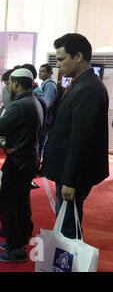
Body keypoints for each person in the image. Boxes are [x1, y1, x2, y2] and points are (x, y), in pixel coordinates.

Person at [41, 33, 109, 239]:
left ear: (78, 56)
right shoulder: (81, 83)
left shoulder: (88, 88)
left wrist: (71, 180)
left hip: (73, 175)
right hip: (69, 170)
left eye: (61, 60)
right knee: (67, 219)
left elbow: (82, 139)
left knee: (69, 226)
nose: (58, 65)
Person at [0, 68, 43, 262]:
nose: (8, 86)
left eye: (10, 83)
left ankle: (16, 250)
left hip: (20, 161)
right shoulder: (32, 101)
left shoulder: (21, 104)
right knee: (20, 202)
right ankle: (19, 240)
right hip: (26, 159)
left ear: (17, 84)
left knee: (7, 202)